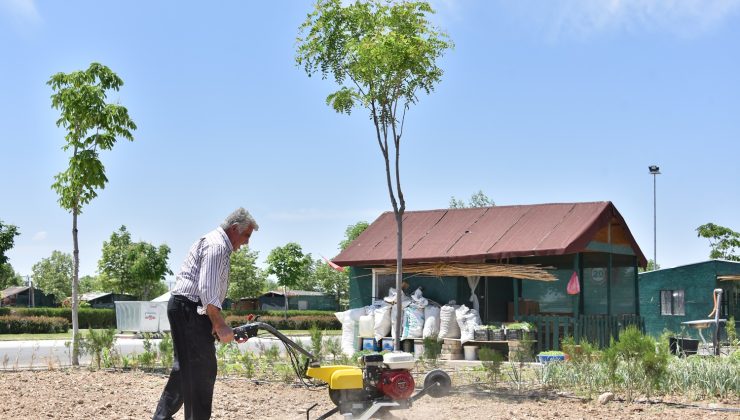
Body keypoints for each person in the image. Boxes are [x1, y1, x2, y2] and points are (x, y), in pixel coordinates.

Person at [153, 208, 258, 420]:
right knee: (202, 370)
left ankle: (161, 417)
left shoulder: (213, 242)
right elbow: (207, 288)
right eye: (246, 235)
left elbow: (207, 293)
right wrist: (218, 324)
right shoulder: (217, 246)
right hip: (190, 308)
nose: (246, 242)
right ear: (234, 228)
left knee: (187, 368)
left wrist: (216, 322)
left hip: (187, 308)